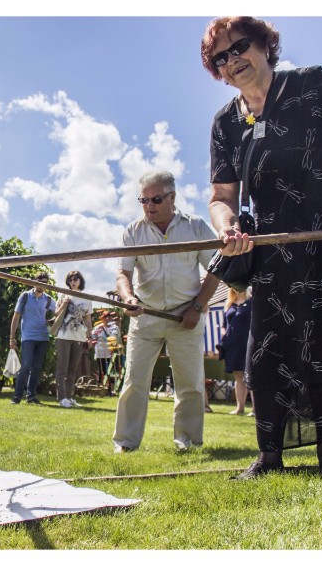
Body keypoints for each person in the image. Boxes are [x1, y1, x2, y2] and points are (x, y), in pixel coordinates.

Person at [203, 17, 322, 478]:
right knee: (268, 346)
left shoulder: (311, 86)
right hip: (275, 243)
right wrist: (228, 228)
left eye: (239, 47)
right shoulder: (226, 123)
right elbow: (221, 197)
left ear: (265, 45)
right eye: (220, 58)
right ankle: (269, 455)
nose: (232, 60)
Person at [113, 170, 221, 452]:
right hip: (145, 316)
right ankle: (125, 443)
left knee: (190, 384)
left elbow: (216, 269)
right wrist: (128, 298)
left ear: (172, 197)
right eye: (144, 200)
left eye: (156, 199)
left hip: (186, 316)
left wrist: (197, 306)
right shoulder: (133, 231)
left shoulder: (195, 227)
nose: (149, 206)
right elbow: (123, 273)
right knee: (134, 381)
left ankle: (188, 442)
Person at [9, 272, 57, 404]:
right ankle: (17, 397)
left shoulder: (48, 299)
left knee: (36, 368)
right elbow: (16, 317)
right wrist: (12, 338)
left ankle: (31, 397)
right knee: (26, 366)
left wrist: (51, 321)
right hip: (28, 336)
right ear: (34, 282)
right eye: (39, 282)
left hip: (43, 337)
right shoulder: (25, 296)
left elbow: (60, 312)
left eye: (44, 283)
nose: (41, 285)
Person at [53, 271, 93, 408]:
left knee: (73, 370)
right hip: (63, 336)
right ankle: (62, 398)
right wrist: (64, 304)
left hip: (79, 337)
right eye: (70, 279)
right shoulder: (63, 294)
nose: (72, 282)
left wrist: (90, 337)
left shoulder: (87, 298)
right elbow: (56, 313)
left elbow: (88, 319)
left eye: (75, 279)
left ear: (80, 280)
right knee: (62, 368)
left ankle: (69, 397)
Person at [218, 287, 253, 416]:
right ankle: (240, 408)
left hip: (248, 343)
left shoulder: (252, 302)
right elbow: (224, 324)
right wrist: (224, 334)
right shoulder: (229, 304)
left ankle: (255, 410)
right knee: (238, 376)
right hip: (232, 344)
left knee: (251, 375)